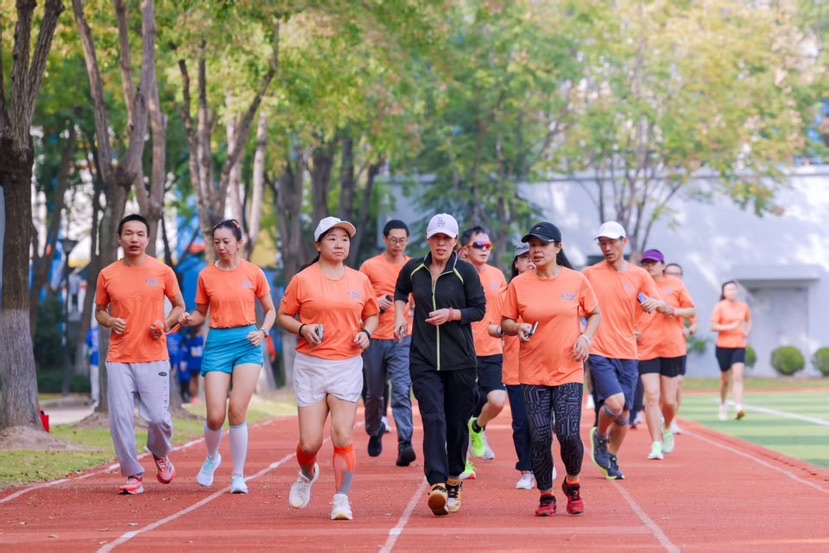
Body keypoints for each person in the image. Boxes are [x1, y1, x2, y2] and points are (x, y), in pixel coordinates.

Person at [277, 216, 379, 521]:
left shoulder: (359, 280)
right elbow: (284, 316)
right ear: (318, 244)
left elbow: (372, 314)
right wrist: (303, 328)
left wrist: (367, 333)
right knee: (309, 443)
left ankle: (341, 498)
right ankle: (307, 473)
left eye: (344, 239)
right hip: (311, 366)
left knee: (342, 436)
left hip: (347, 364)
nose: (339, 244)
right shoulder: (303, 279)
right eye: (332, 238)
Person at [502, 222, 601, 517]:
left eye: (543, 244)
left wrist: (586, 337)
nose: (536, 250)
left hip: (568, 369)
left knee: (569, 434)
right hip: (532, 372)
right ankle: (546, 494)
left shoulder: (576, 280)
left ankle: (573, 482)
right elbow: (506, 321)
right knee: (541, 436)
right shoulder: (519, 284)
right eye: (532, 245)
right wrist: (517, 327)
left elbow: (595, 313)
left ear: (558, 247)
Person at [394, 213, 486, 516]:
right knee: (433, 417)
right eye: (436, 237)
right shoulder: (414, 269)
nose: (441, 243)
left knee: (457, 423)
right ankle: (436, 483)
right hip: (423, 359)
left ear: (456, 241)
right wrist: (399, 317)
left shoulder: (465, 272)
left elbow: (479, 309)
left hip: (460, 360)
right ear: (429, 239)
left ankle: (454, 479)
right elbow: (400, 291)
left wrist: (453, 314)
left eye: (447, 238)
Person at [178, 219, 276, 495]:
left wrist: (263, 332)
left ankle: (238, 476)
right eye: (217, 242)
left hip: (247, 342)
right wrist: (188, 319)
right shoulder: (206, 276)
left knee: (236, 412)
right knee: (215, 416)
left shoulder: (254, 273)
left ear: (239, 243)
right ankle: (212, 457)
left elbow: (270, 310)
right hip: (217, 344)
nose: (221, 247)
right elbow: (201, 313)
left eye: (226, 241)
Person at [95, 214, 185, 495]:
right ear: (119, 238)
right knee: (121, 419)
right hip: (119, 357)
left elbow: (179, 307)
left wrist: (165, 324)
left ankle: (159, 452)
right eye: (129, 234)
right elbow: (99, 311)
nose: (134, 239)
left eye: (140, 234)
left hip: (154, 356)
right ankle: (133, 473)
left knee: (158, 418)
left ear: (147, 238)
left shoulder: (162, 271)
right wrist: (110, 321)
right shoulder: (107, 274)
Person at [583, 221, 668, 480]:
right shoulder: (589, 274)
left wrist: (653, 305)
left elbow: (658, 303)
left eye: (611, 242)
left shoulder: (639, 275)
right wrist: (583, 335)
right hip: (599, 349)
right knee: (615, 403)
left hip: (628, 351)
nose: (607, 248)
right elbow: (577, 308)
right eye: (602, 243)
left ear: (624, 242)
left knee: (625, 414)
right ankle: (600, 435)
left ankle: (612, 456)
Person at [359, 219, 416, 466]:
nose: (398, 244)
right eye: (393, 239)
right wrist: (375, 302)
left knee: (402, 390)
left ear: (408, 240)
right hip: (373, 338)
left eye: (402, 240)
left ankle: (405, 443)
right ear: (384, 239)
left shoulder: (413, 267)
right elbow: (356, 298)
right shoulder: (370, 266)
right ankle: (375, 430)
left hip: (402, 338)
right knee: (374, 393)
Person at [636, 249, 696, 460]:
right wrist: (632, 330)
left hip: (672, 347)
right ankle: (655, 443)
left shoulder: (675, 284)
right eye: (645, 263)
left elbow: (691, 311)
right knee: (651, 395)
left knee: (669, 401)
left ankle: (668, 426)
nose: (649, 266)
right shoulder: (637, 285)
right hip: (646, 348)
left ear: (663, 265)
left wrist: (672, 310)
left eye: (653, 262)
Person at [459, 225, 507, 471]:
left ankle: (477, 428)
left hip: (493, 350)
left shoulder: (498, 275)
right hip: (463, 351)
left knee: (497, 401)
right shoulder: (457, 275)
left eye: (488, 245)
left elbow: (506, 310)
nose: (485, 249)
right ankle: (461, 461)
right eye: (478, 245)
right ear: (464, 250)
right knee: (462, 406)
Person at [499, 243, 536, 489]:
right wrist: (508, 329)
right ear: (516, 264)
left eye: (533, 256)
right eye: (524, 258)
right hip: (515, 369)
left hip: (545, 368)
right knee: (521, 423)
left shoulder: (550, 289)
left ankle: (542, 461)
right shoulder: (505, 293)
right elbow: (493, 325)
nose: (530, 261)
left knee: (542, 423)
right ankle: (526, 470)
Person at [711, 280, 752, 420]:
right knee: (725, 380)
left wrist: (747, 331)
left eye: (734, 289)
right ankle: (723, 404)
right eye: (729, 289)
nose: (732, 291)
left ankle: (739, 407)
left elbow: (749, 320)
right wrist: (729, 327)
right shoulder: (720, 307)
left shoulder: (743, 306)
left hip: (739, 345)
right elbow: (713, 326)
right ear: (724, 293)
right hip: (723, 346)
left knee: (738, 376)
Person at [664, 262, 698, 434]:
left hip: (677, 348)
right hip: (657, 347)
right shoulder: (658, 291)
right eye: (671, 273)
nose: (674, 277)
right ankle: (661, 416)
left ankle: (673, 419)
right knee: (659, 389)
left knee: (678, 384)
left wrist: (689, 331)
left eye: (678, 274)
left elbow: (695, 322)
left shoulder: (684, 297)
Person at [183, 327, 206, 403]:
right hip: (198, 363)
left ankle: (193, 397)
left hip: (191, 364)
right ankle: (195, 396)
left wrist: (184, 363)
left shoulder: (189, 341)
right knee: (196, 380)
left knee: (192, 380)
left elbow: (186, 353)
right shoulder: (200, 340)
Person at [165, 327, 187, 403]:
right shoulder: (180, 337)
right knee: (176, 380)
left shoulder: (167, 337)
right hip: (177, 361)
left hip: (168, 360)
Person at [84, 325, 100, 408]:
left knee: (95, 382)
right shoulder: (111, 330)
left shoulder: (92, 332)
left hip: (94, 361)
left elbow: (86, 348)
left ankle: (95, 400)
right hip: (109, 361)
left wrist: (86, 360)